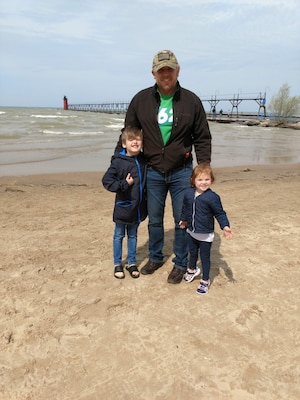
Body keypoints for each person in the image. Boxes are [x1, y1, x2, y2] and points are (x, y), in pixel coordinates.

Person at [115, 50, 212, 284]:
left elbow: (202, 137)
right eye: (161, 70)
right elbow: (128, 134)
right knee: (155, 219)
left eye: (170, 69)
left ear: (178, 71)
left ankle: (180, 263)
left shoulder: (191, 100)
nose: (166, 74)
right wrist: (118, 161)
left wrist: (204, 167)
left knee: (182, 218)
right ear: (153, 73)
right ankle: (156, 257)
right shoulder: (140, 100)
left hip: (181, 170)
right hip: (153, 170)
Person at [179, 164, 233, 294]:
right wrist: (183, 220)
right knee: (192, 253)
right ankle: (192, 269)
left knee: (204, 257)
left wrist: (225, 226)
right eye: (200, 180)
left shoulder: (213, 197)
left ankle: (205, 280)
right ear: (193, 180)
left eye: (207, 179)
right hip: (191, 231)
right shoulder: (188, 193)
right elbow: (186, 208)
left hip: (205, 234)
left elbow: (220, 213)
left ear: (212, 180)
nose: (203, 183)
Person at [102, 126, 147, 279]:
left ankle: (132, 262)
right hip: (123, 206)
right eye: (131, 139)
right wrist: (124, 184)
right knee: (119, 235)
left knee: (133, 235)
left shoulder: (143, 160)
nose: (135, 142)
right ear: (123, 144)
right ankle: (117, 264)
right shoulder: (118, 162)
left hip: (137, 207)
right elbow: (107, 181)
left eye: (138, 139)